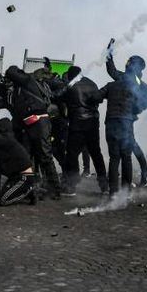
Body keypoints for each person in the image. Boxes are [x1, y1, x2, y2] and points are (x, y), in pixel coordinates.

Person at [96, 48, 147, 197]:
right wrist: (109, 55)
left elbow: (145, 100)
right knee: (126, 153)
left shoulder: (135, 82)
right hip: (126, 122)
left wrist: (134, 111)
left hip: (118, 121)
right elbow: (112, 70)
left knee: (117, 156)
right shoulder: (130, 80)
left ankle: (118, 189)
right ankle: (128, 187)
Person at [4, 65, 62, 199]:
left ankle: (55, 189)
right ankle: (30, 186)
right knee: (26, 156)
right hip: (30, 125)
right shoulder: (20, 89)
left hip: (39, 123)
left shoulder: (27, 80)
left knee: (45, 156)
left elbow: (11, 71)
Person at [60, 66, 109, 195]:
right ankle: (104, 185)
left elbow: (58, 97)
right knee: (96, 153)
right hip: (93, 123)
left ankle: (71, 186)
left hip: (77, 124)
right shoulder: (92, 83)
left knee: (72, 154)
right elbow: (98, 99)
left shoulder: (71, 86)